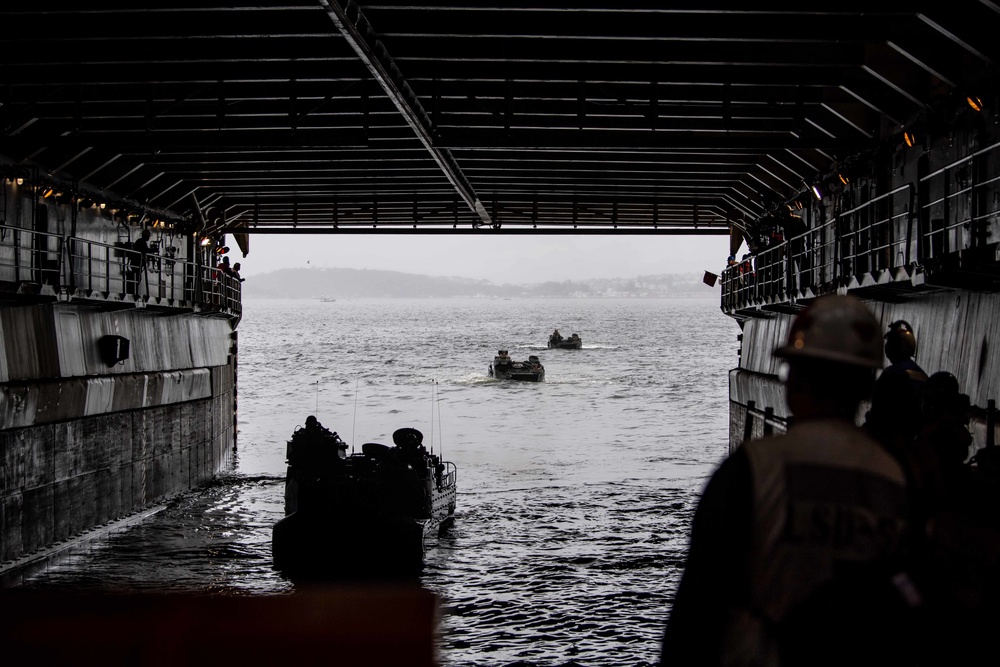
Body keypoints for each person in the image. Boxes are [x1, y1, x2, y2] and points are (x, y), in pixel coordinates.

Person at [660, 295, 929, 667]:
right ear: (868, 386)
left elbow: (696, 612)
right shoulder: (900, 479)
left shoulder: (750, 470)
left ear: (793, 381)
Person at [125, 229, 152, 295]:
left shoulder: (140, 241)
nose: (148, 237)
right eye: (148, 236)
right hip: (136, 262)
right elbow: (144, 250)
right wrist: (152, 250)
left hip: (136, 262)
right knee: (137, 278)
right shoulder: (141, 242)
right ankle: (134, 292)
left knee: (137, 278)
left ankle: (134, 291)